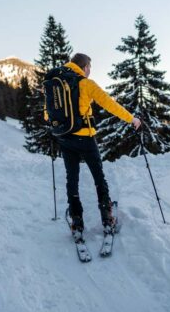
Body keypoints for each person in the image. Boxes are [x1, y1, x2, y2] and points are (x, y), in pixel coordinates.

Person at [50, 53, 141, 233]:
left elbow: (48, 114)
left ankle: (77, 221)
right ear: (84, 67)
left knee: (72, 179)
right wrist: (132, 119)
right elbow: (109, 104)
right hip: (85, 138)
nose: (90, 71)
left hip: (65, 138)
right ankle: (107, 218)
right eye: (89, 67)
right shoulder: (86, 83)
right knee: (98, 177)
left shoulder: (56, 85)